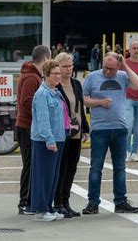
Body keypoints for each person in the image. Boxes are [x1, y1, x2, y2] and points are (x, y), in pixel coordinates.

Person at [82, 52, 138, 215]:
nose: (108, 72)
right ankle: (93, 202)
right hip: (100, 129)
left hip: (120, 128)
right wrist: (99, 102)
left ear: (118, 66)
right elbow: (83, 98)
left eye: (112, 69)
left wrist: (126, 66)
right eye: (105, 68)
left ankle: (121, 201)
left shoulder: (122, 76)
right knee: (96, 167)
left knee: (120, 167)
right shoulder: (93, 77)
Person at [53, 53, 90, 218]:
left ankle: (66, 202)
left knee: (71, 168)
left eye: (70, 66)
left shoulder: (76, 84)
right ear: (58, 67)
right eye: (65, 66)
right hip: (62, 133)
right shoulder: (55, 86)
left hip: (76, 132)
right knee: (61, 168)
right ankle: (58, 202)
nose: (68, 69)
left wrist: (86, 128)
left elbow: (81, 108)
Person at [15, 45, 51, 215]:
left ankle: (28, 201)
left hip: (28, 125)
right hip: (28, 126)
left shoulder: (31, 75)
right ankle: (24, 202)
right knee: (29, 165)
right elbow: (26, 101)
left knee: (31, 164)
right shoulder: (31, 78)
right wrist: (42, 114)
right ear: (45, 59)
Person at [30, 60, 67, 222]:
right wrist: (49, 140)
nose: (58, 76)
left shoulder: (55, 92)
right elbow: (43, 120)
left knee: (53, 176)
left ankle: (49, 206)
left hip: (58, 138)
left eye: (59, 73)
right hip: (45, 140)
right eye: (55, 74)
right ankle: (41, 209)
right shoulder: (42, 94)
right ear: (46, 75)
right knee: (44, 175)